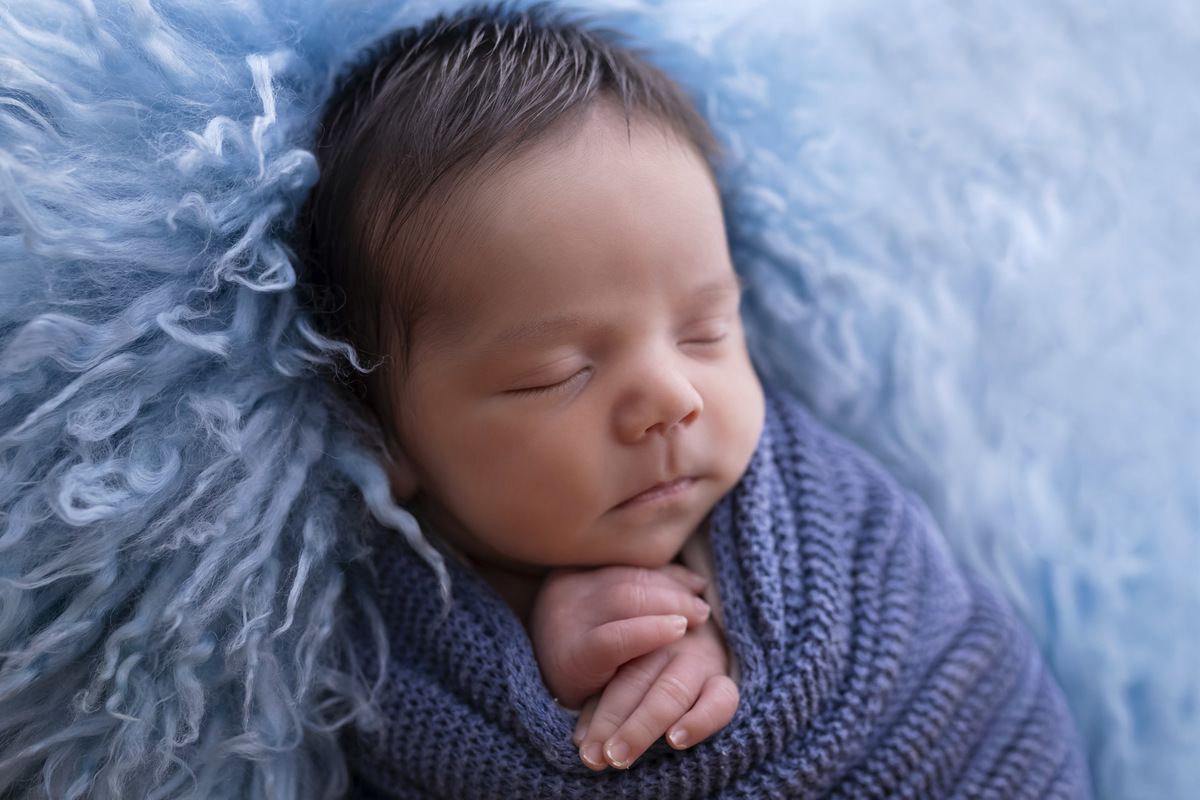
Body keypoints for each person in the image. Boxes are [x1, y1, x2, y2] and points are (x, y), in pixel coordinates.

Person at [301, 5, 1091, 798]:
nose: (673, 399)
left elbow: (936, 660)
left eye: (705, 331)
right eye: (555, 373)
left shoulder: (816, 520)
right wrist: (553, 675)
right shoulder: (365, 639)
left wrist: (726, 636)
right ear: (383, 439)